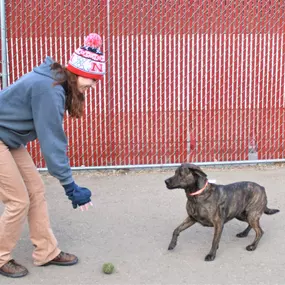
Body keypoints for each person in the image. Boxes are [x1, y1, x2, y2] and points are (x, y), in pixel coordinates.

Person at [0, 33, 106, 278]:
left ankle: (46, 251)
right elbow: (52, 142)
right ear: (77, 72)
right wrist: (70, 186)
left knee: (36, 190)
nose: (93, 86)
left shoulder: (56, 83)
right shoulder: (50, 90)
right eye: (92, 79)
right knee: (18, 200)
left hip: (9, 137)